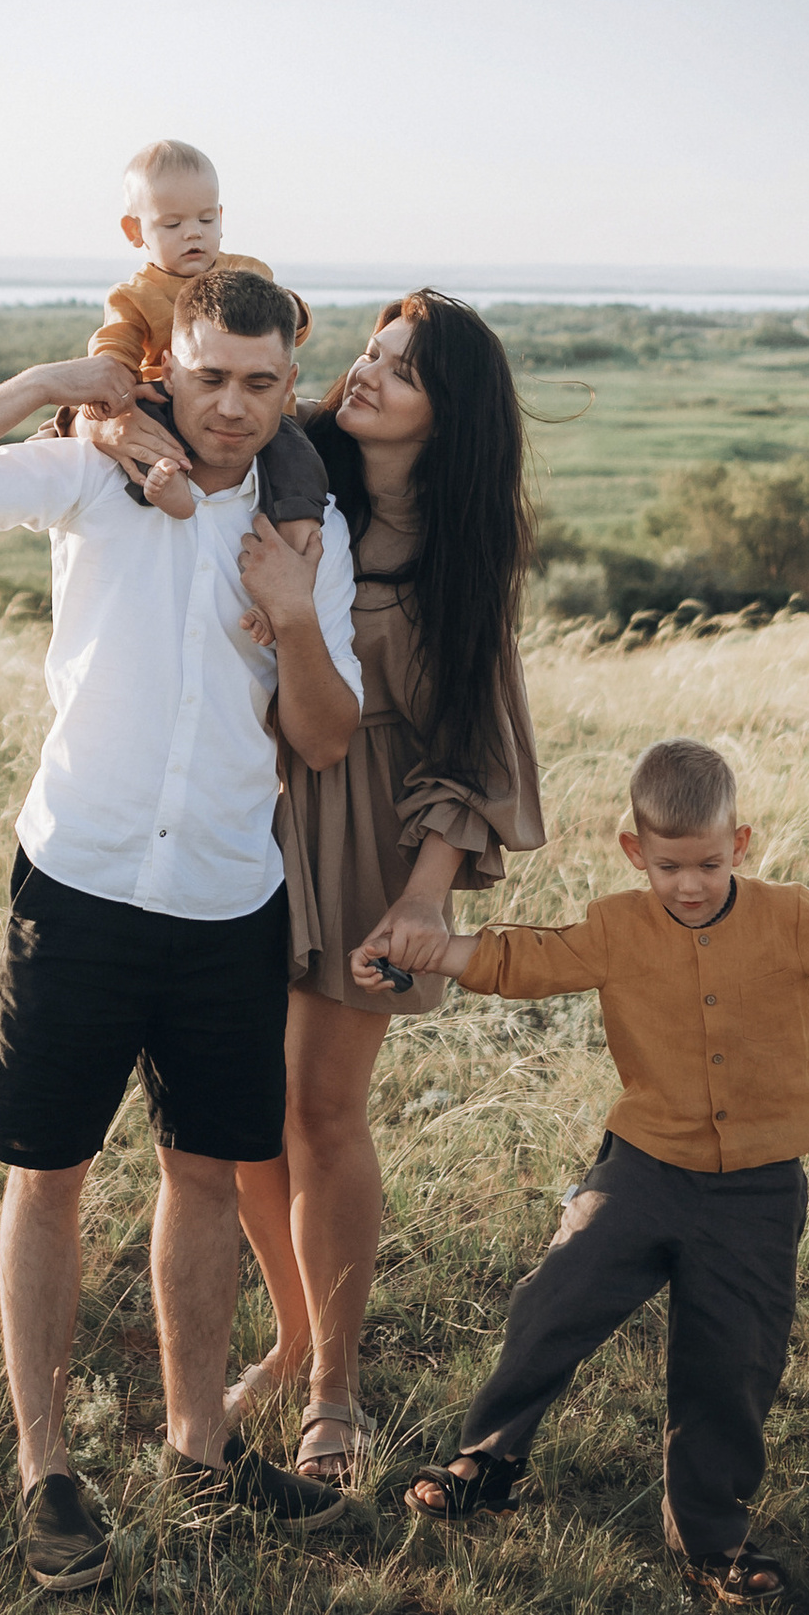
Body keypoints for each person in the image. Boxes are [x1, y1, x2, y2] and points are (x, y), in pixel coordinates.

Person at [0, 267, 365, 1596]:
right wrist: (40, 389)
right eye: (211, 376)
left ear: (289, 384)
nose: (236, 406)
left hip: (223, 896)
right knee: (52, 1166)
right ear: (165, 366)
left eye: (263, 382)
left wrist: (298, 614)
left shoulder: (307, 527)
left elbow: (322, 735)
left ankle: (200, 1452)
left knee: (206, 1170)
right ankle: (49, 1472)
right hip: (78, 876)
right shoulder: (94, 472)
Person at [364, 734, 809, 1598]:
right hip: (643, 1168)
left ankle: (713, 1541)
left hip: (758, 1191)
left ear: (742, 845)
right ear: (634, 853)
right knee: (555, 1297)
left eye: (710, 864)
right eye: (668, 865)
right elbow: (525, 961)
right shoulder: (616, 926)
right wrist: (433, 949)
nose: (689, 884)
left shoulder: (786, 916)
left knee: (730, 1366)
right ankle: (488, 1462)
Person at [215, 291, 548, 1487]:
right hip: (244, 806)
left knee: (319, 1111)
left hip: (368, 834)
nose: (363, 374)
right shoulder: (293, 469)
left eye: (399, 370)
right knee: (236, 1118)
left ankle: (332, 1389)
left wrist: (423, 899)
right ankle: (292, 1327)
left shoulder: (468, 551)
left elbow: (475, 739)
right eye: (368, 351)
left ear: (448, 416)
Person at [83, 137, 330, 551]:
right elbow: (115, 346)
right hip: (168, 402)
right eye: (172, 224)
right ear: (134, 230)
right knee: (143, 426)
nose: (192, 234)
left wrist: (292, 310)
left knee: (298, 458)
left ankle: (299, 529)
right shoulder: (134, 295)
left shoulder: (248, 271)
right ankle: (169, 482)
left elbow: (287, 330)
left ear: (220, 217)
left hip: (262, 418)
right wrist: (105, 390)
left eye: (204, 220)